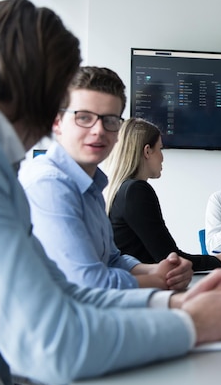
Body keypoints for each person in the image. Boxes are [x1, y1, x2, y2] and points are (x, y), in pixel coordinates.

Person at [0, 0, 221, 385]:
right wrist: (191, 324)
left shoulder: (3, 167)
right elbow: (53, 344)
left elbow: (67, 290)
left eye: (109, 121)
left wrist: (174, 307)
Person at [19, 66, 193, 291]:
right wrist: (159, 281)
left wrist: (158, 270)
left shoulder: (92, 186)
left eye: (110, 120)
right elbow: (88, 283)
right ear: (57, 122)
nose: (98, 130)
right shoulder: (50, 185)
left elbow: (112, 259)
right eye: (84, 117)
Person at [104, 117, 221, 271]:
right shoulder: (136, 191)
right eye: (160, 149)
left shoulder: (121, 189)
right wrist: (219, 260)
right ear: (147, 151)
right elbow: (170, 259)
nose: (162, 158)